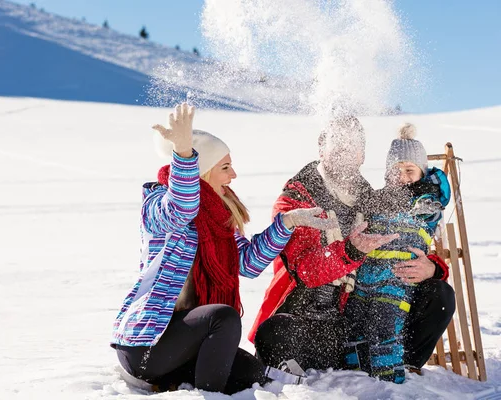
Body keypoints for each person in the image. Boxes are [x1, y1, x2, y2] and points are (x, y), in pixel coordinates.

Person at [110, 103, 335, 394]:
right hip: (147, 345)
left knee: (251, 372)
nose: (234, 175)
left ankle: (177, 382)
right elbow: (182, 207)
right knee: (223, 317)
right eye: (225, 167)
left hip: (186, 339)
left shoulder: (218, 222)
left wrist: (288, 223)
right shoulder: (158, 206)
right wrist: (184, 154)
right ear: (201, 172)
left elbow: (249, 263)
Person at [249, 116, 455, 379]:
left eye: (354, 146)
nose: (346, 154)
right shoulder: (298, 198)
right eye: (340, 145)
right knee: (276, 333)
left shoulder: (368, 197)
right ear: (322, 148)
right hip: (304, 317)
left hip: (348, 320)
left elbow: (407, 236)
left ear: (362, 156)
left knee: (438, 294)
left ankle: (404, 368)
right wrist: (351, 251)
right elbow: (307, 270)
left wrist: (433, 268)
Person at [344, 123, 451, 383]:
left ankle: (391, 378)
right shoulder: (378, 199)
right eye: (396, 170)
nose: (401, 176)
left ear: (422, 173)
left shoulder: (426, 202)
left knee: (385, 323)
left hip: (398, 278)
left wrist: (422, 194)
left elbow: (428, 207)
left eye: (409, 170)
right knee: (354, 324)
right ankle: (352, 375)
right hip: (366, 278)